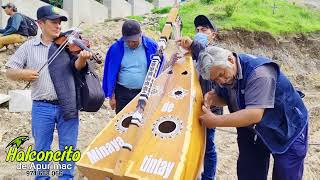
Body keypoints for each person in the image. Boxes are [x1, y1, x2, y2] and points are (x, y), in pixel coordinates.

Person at [179, 40, 308, 179]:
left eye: (221, 74)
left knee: (286, 174)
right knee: (249, 173)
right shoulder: (226, 73)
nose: (221, 81)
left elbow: (254, 114)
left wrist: (215, 120)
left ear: (230, 59)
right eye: (215, 80)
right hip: (253, 132)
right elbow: (228, 97)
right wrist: (214, 98)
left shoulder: (259, 73)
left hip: (287, 128)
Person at [5, 5, 92, 179]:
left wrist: (82, 59)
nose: (58, 26)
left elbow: (76, 67)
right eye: (53, 22)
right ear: (40, 23)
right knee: (42, 149)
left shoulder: (68, 45)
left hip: (68, 104)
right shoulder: (28, 47)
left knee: (68, 148)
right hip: (41, 107)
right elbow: (9, 71)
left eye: (60, 22)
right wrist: (23, 73)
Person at [102, 19, 162, 114]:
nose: (131, 44)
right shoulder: (116, 49)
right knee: (122, 122)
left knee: (142, 122)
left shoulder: (152, 46)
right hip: (122, 94)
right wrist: (112, 97)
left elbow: (160, 68)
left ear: (140, 35)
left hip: (144, 93)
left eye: (134, 41)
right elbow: (110, 73)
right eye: (128, 41)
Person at [192, 15, 222, 180]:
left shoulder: (216, 54)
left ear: (213, 35)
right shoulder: (192, 54)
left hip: (211, 108)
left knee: (208, 145)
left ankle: (208, 177)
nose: (200, 32)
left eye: (204, 30)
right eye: (197, 30)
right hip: (191, 107)